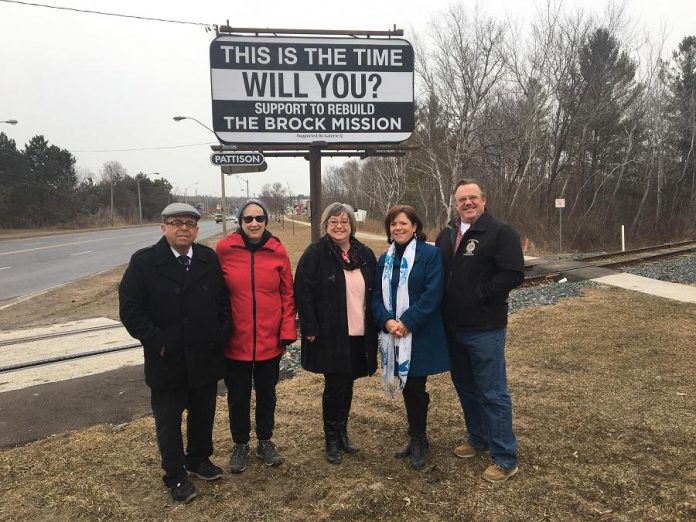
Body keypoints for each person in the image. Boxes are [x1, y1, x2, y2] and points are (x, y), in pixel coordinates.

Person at [119, 202, 231, 503]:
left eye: (190, 223)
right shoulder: (144, 263)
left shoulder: (207, 258)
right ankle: (175, 474)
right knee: (169, 422)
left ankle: (198, 459)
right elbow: (131, 311)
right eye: (176, 222)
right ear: (163, 227)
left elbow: (223, 303)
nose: (184, 227)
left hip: (205, 355)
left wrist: (220, 334)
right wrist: (160, 342)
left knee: (203, 413)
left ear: (197, 229)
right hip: (167, 359)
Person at [435, 179, 525, 482]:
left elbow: (513, 273)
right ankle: (478, 438)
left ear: (483, 200)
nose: (467, 203)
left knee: (493, 392)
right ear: (456, 203)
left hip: (485, 328)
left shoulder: (500, 233)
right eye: (462, 199)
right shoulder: (447, 234)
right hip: (453, 328)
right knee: (467, 388)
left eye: (473, 198)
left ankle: (504, 457)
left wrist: (481, 294)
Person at [215, 199, 296, 474]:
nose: (254, 223)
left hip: (268, 342)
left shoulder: (277, 251)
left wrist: (286, 332)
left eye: (259, 218)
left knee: (267, 394)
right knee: (237, 396)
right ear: (240, 221)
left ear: (266, 221)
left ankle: (264, 441)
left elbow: (287, 294)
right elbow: (214, 295)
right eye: (248, 218)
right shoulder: (224, 249)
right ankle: (240, 444)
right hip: (234, 342)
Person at [294, 202, 377, 465]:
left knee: (348, 381)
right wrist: (309, 326)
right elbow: (303, 291)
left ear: (352, 225)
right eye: (333, 222)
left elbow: (375, 288)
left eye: (344, 221)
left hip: (359, 330)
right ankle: (330, 437)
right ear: (326, 225)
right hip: (331, 332)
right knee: (334, 384)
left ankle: (342, 432)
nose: (339, 226)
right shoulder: (316, 253)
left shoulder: (363, 253)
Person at [371, 205, 450, 470]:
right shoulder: (385, 258)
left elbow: (433, 294)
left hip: (420, 334)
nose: (398, 228)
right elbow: (376, 297)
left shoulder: (430, 255)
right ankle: (417, 435)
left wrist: (407, 322)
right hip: (394, 333)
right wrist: (387, 321)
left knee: (416, 386)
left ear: (415, 227)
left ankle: (418, 440)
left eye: (404, 223)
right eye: (393, 224)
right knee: (409, 386)